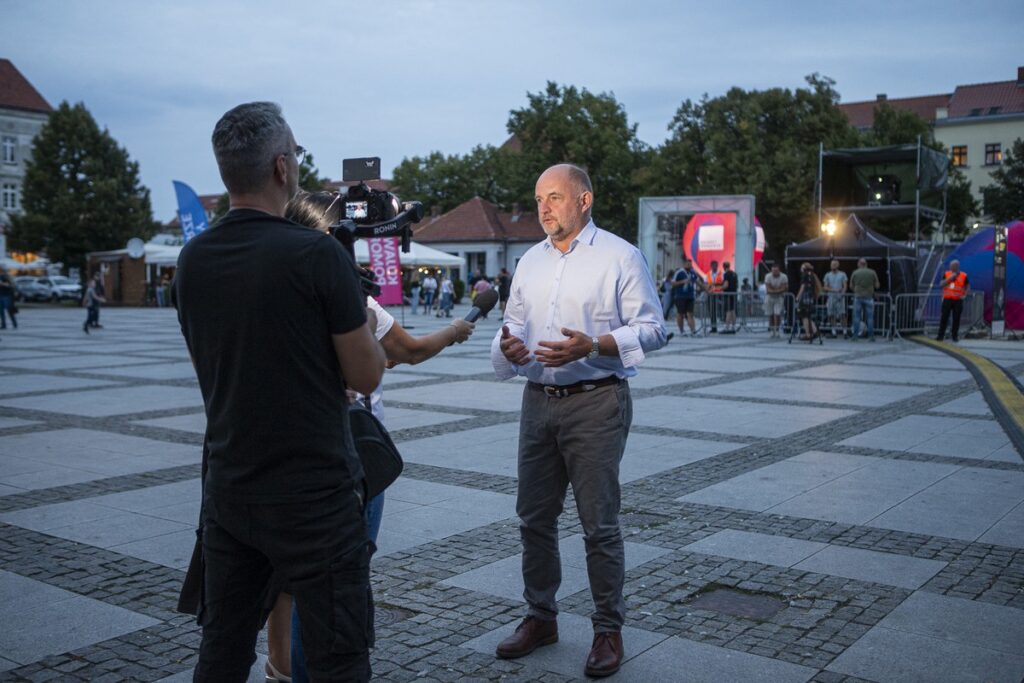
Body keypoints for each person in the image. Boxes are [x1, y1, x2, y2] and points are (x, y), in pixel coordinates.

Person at [174, 101, 385, 682]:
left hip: (230, 489)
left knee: (221, 651)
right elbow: (366, 377)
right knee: (338, 655)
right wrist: (364, 328)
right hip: (314, 495)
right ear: (283, 168)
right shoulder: (317, 256)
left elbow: (218, 366)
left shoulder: (192, 261)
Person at [281, 189, 476, 683]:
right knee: (337, 585)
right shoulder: (347, 294)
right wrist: (453, 331)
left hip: (281, 454)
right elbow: (392, 359)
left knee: (290, 580)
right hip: (344, 460)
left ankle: (280, 670)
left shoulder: (271, 283)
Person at [491, 164, 667, 678]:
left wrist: (595, 344)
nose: (544, 208)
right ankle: (541, 617)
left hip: (596, 400)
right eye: (539, 199)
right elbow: (513, 321)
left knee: (599, 524)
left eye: (554, 197)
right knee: (534, 518)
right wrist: (508, 342)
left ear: (584, 200)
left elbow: (654, 329)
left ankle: (607, 629)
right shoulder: (529, 261)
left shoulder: (619, 256)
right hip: (537, 398)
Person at [937, 259, 970, 342]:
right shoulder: (947, 274)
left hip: (958, 300)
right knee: (944, 317)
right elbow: (941, 284)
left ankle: (954, 336)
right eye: (950, 266)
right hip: (947, 299)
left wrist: (965, 295)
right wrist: (950, 278)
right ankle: (940, 335)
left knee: (956, 318)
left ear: (956, 266)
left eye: (952, 266)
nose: (950, 267)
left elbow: (967, 286)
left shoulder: (964, 275)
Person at [850, 258, 880, 341]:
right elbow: (877, 285)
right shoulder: (872, 272)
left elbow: (851, 286)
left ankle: (855, 336)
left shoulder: (855, 272)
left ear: (859, 264)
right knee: (870, 317)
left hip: (858, 297)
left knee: (857, 317)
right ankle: (871, 336)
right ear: (866, 264)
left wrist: (856, 290)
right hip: (869, 297)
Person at [795, 262, 822, 341]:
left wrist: (797, 297)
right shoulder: (812, 275)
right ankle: (815, 331)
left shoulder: (805, 275)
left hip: (804, 298)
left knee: (804, 316)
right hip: (810, 298)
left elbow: (802, 287)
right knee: (808, 316)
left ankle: (808, 334)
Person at [671, 259, 699, 337]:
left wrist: (706, 288)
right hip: (680, 296)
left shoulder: (692, 272)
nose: (689, 265)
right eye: (687, 264)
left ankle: (693, 331)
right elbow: (673, 283)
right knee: (680, 314)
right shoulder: (679, 272)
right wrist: (682, 282)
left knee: (690, 314)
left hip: (690, 296)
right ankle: (682, 331)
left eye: (690, 264)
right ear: (684, 264)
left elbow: (697, 281)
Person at [822, 260, 848, 338]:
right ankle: (834, 331)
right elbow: (825, 287)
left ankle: (845, 331)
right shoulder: (827, 275)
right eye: (832, 264)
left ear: (838, 265)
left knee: (842, 314)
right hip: (831, 297)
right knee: (831, 315)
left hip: (840, 298)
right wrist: (834, 290)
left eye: (834, 264)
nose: (832, 266)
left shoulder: (842, 274)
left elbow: (845, 285)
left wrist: (842, 294)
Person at [763, 263, 788, 338]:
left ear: (779, 270)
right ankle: (771, 330)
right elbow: (768, 288)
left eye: (776, 271)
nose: (774, 272)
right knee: (770, 314)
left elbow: (784, 288)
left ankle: (776, 330)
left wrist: (774, 290)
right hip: (769, 297)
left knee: (777, 314)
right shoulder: (768, 276)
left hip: (779, 297)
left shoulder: (784, 276)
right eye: (773, 271)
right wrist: (778, 290)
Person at [704, 260, 724, 332]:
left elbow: (723, 283)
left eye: (716, 265)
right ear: (711, 266)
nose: (715, 267)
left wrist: (714, 284)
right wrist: (707, 290)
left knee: (720, 310)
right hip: (711, 295)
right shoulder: (708, 274)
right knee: (712, 311)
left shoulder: (721, 273)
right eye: (714, 265)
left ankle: (724, 323)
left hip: (719, 294)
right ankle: (713, 327)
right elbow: (706, 284)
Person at [721, 261, 738, 333]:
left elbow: (726, 285)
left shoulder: (726, 274)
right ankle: (733, 326)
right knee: (733, 310)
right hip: (734, 293)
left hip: (727, 294)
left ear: (724, 267)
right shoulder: (734, 274)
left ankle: (727, 327)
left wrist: (720, 288)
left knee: (728, 310)